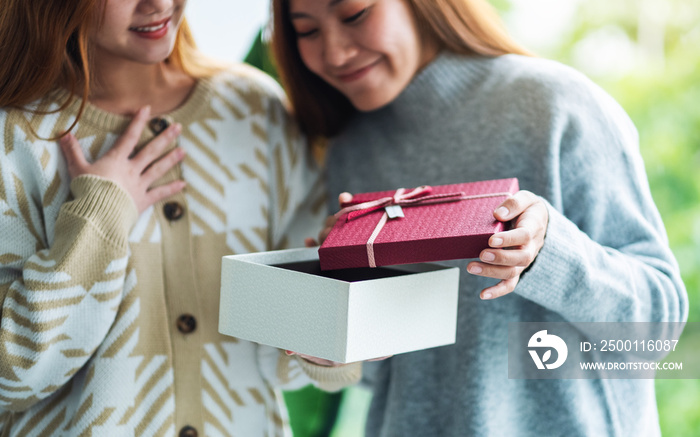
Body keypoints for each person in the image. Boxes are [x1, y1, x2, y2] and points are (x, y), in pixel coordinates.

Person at [270, 0, 688, 436]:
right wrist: (336, 330)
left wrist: (547, 253)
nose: (335, 52)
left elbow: (658, 328)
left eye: (355, 14)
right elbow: (397, 374)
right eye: (307, 31)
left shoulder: (554, 105)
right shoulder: (348, 151)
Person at [0, 0, 361, 435]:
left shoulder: (254, 109)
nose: (158, 4)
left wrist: (326, 340)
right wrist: (100, 214)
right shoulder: (15, 137)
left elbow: (279, 361)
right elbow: (11, 377)